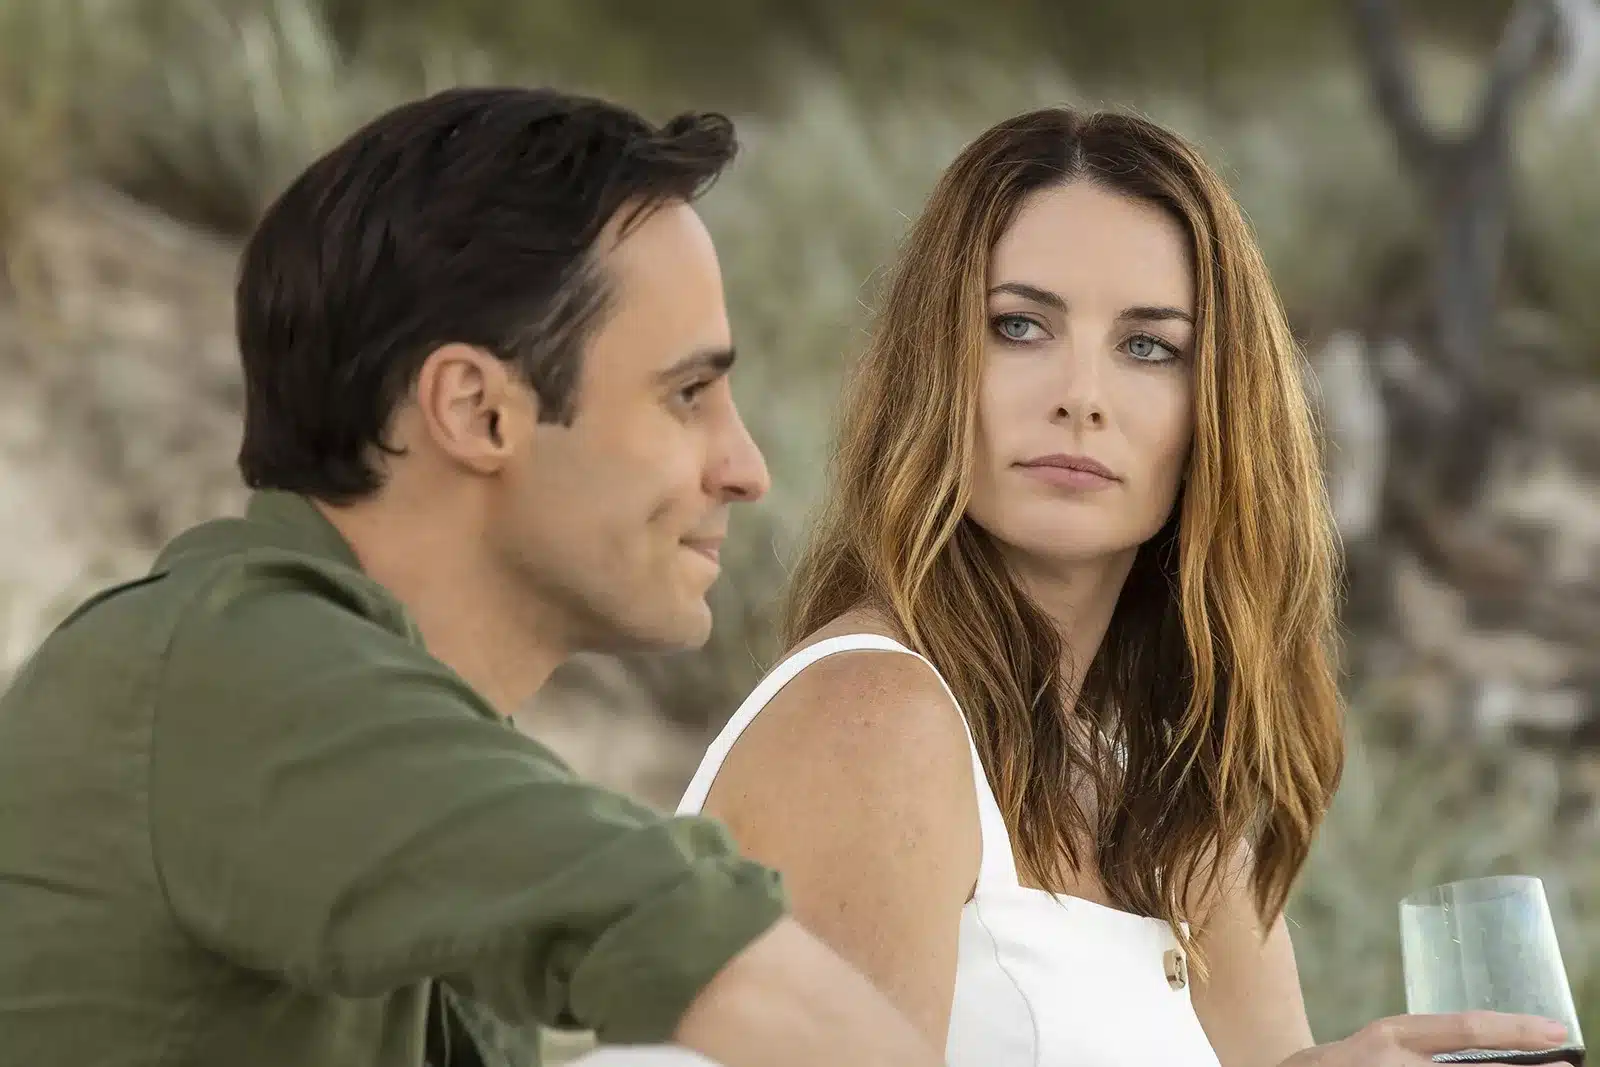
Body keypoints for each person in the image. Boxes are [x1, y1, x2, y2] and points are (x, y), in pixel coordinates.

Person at [0, 87, 945, 1067]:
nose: (746, 467)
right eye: (687, 393)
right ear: (477, 411)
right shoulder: (232, 674)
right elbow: (689, 938)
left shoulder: (353, 738)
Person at [677, 107, 1577, 1067]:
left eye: (1148, 345)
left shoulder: (1158, 797)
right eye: (1019, 326)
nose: (1081, 394)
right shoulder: (872, 715)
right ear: (935, 368)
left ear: (1215, 407)